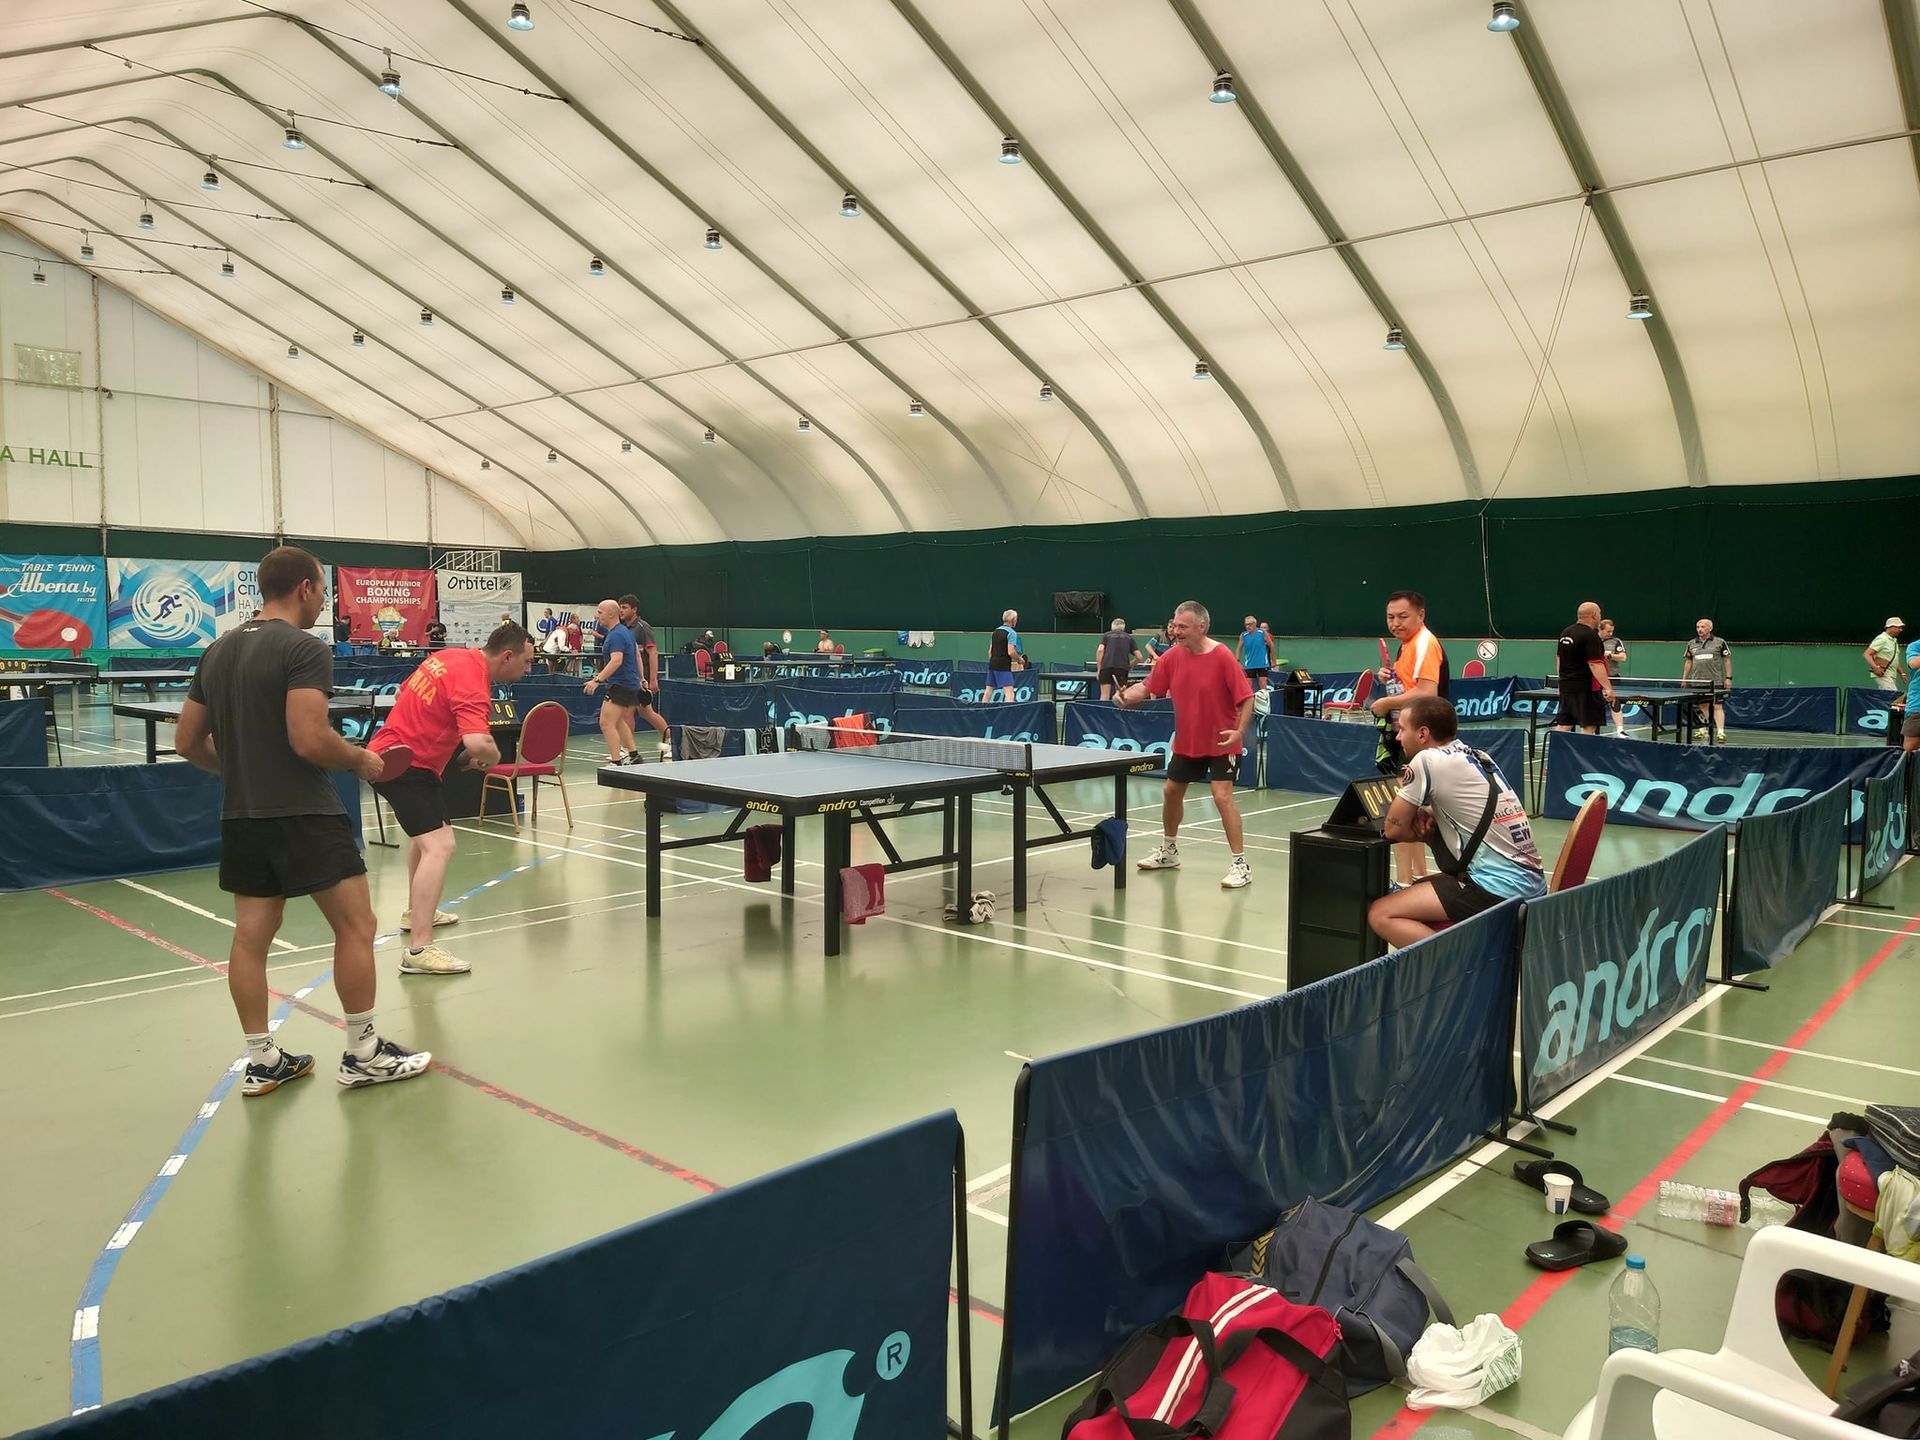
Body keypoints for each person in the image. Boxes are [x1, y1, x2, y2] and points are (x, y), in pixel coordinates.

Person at [172, 545, 430, 1094]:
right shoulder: (303, 647)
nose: (323, 602)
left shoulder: (217, 650)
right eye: (323, 591)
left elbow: (187, 742)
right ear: (304, 588)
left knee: (250, 938)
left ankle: (262, 1060)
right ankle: (363, 1053)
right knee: (356, 926)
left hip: (242, 815)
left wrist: (240, 771)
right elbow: (309, 737)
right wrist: (360, 759)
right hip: (305, 812)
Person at [369, 622, 535, 974]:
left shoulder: (448, 657)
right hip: (407, 767)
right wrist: (491, 757)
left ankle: (415, 913)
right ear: (507, 656)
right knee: (440, 846)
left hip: (395, 755)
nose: (528, 670)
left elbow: (402, 695)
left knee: (423, 839)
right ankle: (419, 950)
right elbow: (478, 743)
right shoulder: (475, 682)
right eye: (527, 662)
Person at [1366, 696, 1545, 948]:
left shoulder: (1427, 760)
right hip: (1533, 884)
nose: (1397, 737)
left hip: (1498, 890)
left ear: (1422, 734)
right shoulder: (1480, 756)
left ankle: (1456, 963)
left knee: (1381, 913)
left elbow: (1393, 829)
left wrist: (1419, 828)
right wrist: (1429, 822)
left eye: (1403, 729)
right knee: (1416, 890)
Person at [1115, 600, 1255, 889]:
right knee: (1171, 791)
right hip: (1187, 741)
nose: (1176, 632)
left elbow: (1247, 697)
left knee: (1221, 796)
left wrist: (1239, 731)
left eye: (1183, 627)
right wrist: (1126, 696)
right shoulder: (1171, 657)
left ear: (1201, 627)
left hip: (1222, 740)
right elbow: (1149, 687)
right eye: (1175, 626)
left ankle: (1241, 865)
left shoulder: (1222, 656)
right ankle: (1169, 851)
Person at [1369, 590, 1449, 884]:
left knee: (1399, 814)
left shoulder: (1425, 642)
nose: (1396, 623)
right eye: (1391, 617)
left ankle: (1403, 884)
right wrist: (1389, 678)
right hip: (1412, 736)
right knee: (1414, 812)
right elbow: (1409, 685)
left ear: (1421, 615)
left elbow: (1427, 692)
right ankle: (1419, 875)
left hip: (1424, 738)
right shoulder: (1407, 646)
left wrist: (1385, 703)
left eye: (1403, 616)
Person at [1554, 601, 1615, 736]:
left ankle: (1555, 749)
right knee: (1589, 726)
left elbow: (1559, 659)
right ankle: (1582, 750)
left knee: (1564, 724)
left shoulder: (1566, 632)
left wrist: (1561, 681)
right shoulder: (1591, 635)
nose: (1600, 616)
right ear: (1594, 615)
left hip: (1566, 687)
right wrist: (1608, 688)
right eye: (1599, 613)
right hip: (1586, 689)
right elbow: (1595, 664)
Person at [1680, 618, 1731, 743]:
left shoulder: (1720, 642)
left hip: (1715, 682)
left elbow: (1726, 660)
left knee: (1717, 706)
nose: (1700, 629)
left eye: (1703, 627)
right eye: (1698, 627)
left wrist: (1728, 677)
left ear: (1710, 628)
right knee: (1702, 706)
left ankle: (1720, 732)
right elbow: (1688, 661)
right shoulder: (1691, 643)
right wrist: (1684, 679)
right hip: (1698, 682)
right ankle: (1704, 729)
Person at [983, 609, 1024, 704]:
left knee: (988, 691)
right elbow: (1011, 652)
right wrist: (1020, 659)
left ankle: (981, 708)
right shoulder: (1012, 633)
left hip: (993, 664)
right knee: (1009, 693)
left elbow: (990, 651)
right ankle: (1008, 711)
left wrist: (994, 662)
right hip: (1003, 666)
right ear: (1013, 620)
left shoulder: (995, 632)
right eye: (1016, 619)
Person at [1093, 618, 1140, 700]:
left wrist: (1099, 669)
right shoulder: (1129, 638)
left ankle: (1103, 709)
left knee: (1104, 696)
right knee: (1120, 696)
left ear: (1112, 627)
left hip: (1106, 667)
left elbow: (1100, 650)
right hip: (1122, 668)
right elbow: (1139, 657)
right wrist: (1130, 665)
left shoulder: (1106, 635)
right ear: (1124, 628)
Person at [1599, 618, 1628, 736]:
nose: (1610, 634)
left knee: (1615, 703)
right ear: (1600, 629)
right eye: (1608, 631)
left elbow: (1623, 657)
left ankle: (1620, 730)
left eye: (1612, 631)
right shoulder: (1592, 640)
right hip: (1595, 678)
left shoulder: (1616, 641)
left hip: (1612, 677)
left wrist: (1609, 655)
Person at [1866, 618, 1905, 692]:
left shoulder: (1894, 641)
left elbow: (1894, 660)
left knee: (1885, 696)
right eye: (1898, 627)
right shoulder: (1882, 639)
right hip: (1883, 673)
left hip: (1891, 675)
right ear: (1890, 627)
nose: (1901, 630)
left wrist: (1902, 673)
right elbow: (1867, 654)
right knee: (1893, 695)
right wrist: (1875, 668)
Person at [1235, 615, 1272, 691]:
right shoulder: (1243, 635)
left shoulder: (1262, 633)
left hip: (1262, 664)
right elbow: (1238, 648)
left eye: (1250, 624)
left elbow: (1271, 645)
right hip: (1250, 664)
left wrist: (1273, 660)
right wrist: (1237, 661)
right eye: (1246, 624)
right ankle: (1250, 698)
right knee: (1248, 686)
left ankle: (1264, 697)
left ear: (1255, 624)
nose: (1248, 626)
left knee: (1263, 684)